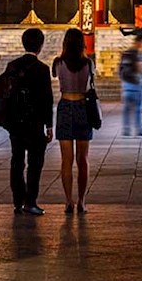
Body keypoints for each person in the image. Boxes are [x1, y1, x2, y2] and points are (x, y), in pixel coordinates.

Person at [0, 26, 53, 215]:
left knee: (17, 161)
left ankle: (17, 201)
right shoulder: (42, 69)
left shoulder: (12, 66)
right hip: (35, 123)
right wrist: (49, 125)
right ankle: (31, 201)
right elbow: (47, 99)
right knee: (35, 163)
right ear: (40, 46)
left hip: (15, 122)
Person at [53, 27, 98, 211]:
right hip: (82, 107)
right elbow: (90, 84)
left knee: (66, 160)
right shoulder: (88, 63)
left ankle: (68, 201)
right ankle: (82, 201)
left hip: (65, 106)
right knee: (83, 159)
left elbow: (56, 76)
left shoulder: (58, 63)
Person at [117, 36, 142, 137]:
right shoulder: (137, 54)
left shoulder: (125, 54)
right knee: (137, 108)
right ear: (139, 43)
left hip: (126, 84)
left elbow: (120, 69)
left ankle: (126, 129)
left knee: (126, 109)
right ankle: (138, 129)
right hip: (135, 84)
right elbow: (140, 67)